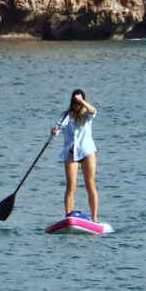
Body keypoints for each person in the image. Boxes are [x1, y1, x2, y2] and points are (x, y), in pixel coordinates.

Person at [51, 89, 98, 222]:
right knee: (71, 186)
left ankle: (94, 218)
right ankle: (68, 215)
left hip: (87, 153)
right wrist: (54, 131)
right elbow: (58, 128)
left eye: (78, 103)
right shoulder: (66, 116)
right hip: (71, 153)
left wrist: (82, 101)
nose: (76, 105)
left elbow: (93, 111)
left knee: (90, 185)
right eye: (74, 102)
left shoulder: (87, 116)